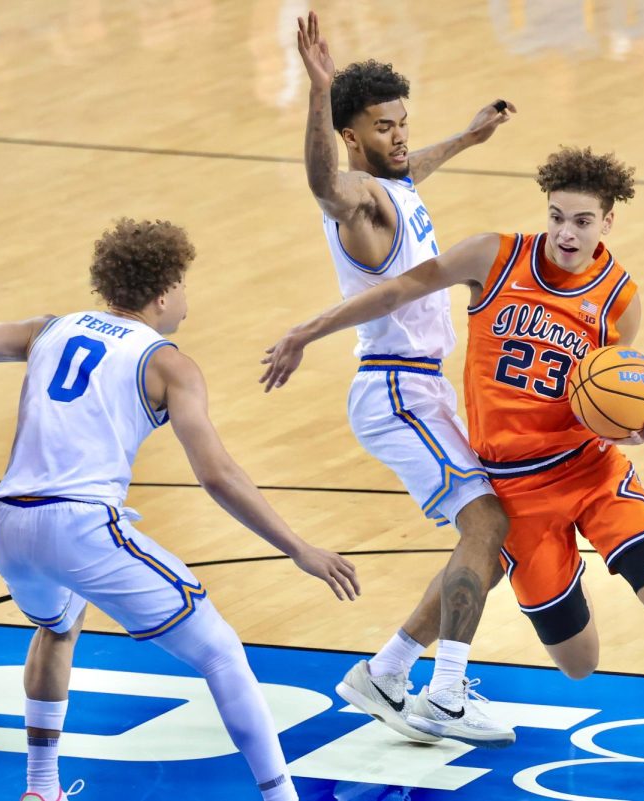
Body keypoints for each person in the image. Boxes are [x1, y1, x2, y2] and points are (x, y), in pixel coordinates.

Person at [261, 147, 644, 800]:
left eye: (583, 221)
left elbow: (620, 388)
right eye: (558, 217)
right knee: (580, 663)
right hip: (520, 492)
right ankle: (402, 662)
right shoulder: (494, 256)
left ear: (609, 222)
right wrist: (305, 333)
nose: (567, 233)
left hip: (593, 473)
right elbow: (396, 289)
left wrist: (632, 422)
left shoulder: (619, 298)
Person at [0, 218, 359, 801]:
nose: (186, 298)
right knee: (220, 650)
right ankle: (280, 796)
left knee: (59, 626)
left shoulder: (48, 330)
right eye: (183, 284)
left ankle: (41, 788)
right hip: (81, 526)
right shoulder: (169, 365)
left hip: (8, 525)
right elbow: (217, 475)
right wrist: (298, 547)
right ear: (164, 293)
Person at [259, 11, 518, 747]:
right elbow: (323, 183)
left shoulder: (395, 182)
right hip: (397, 389)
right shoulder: (358, 199)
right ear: (352, 136)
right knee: (487, 525)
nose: (401, 135)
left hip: (421, 387)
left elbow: (411, 171)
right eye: (384, 126)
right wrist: (317, 90)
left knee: (493, 539)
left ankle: (390, 671)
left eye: (404, 121)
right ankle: (445, 694)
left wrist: (467, 138)